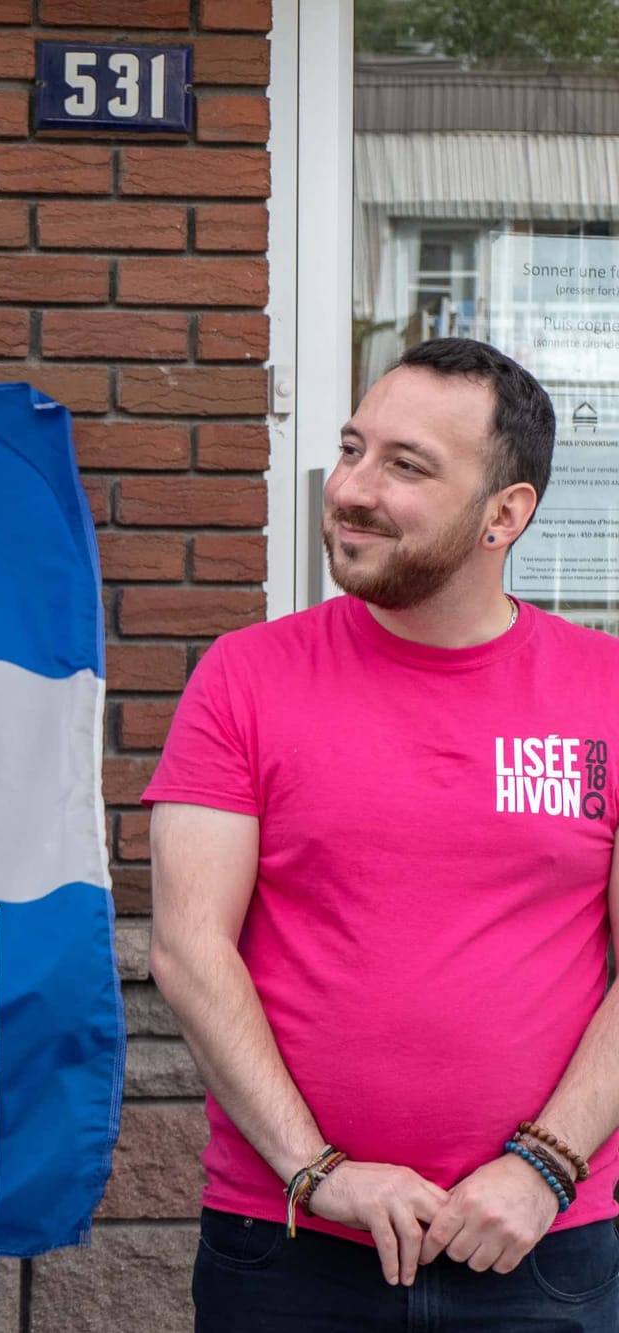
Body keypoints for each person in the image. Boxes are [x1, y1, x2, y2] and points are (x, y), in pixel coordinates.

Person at [146, 337, 619, 1331]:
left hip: (540, 1242)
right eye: (351, 449)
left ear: (504, 514)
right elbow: (189, 948)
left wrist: (541, 1166)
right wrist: (315, 1171)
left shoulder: (603, 692)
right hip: (286, 1245)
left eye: (403, 466)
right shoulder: (243, 678)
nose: (350, 488)